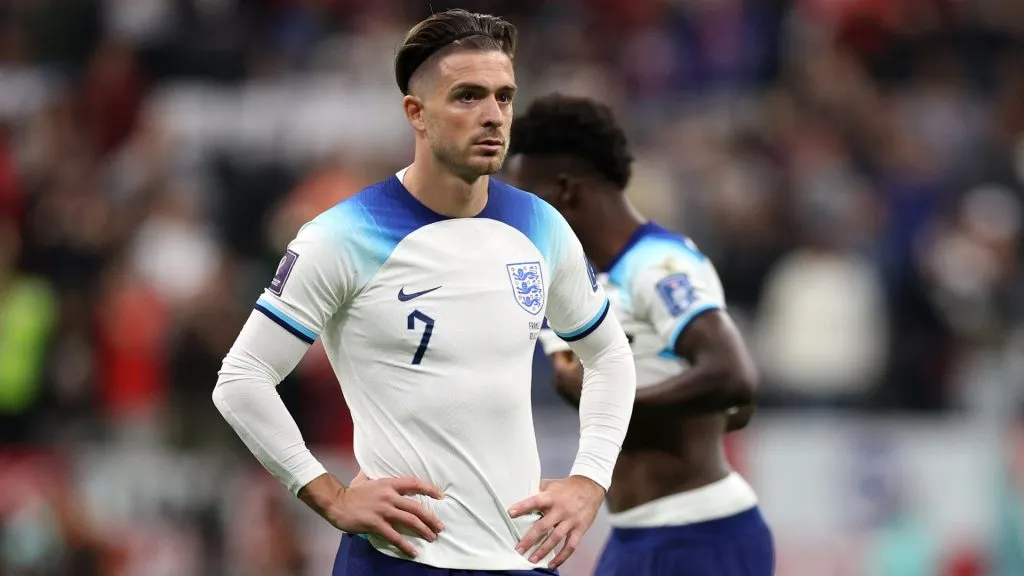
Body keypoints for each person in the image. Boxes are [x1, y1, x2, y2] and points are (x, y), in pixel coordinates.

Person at [211, 10, 637, 575]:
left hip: (523, 560)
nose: (492, 116)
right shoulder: (342, 236)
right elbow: (242, 380)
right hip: (400, 559)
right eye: (467, 96)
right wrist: (328, 495)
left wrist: (590, 480)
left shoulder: (541, 227)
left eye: (503, 97)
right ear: (416, 113)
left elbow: (609, 354)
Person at [505, 94, 774, 575]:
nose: (522, 217)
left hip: (702, 533)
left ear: (565, 190)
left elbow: (735, 378)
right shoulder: (571, 285)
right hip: (635, 535)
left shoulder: (658, 265)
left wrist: (616, 404)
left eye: (530, 199)